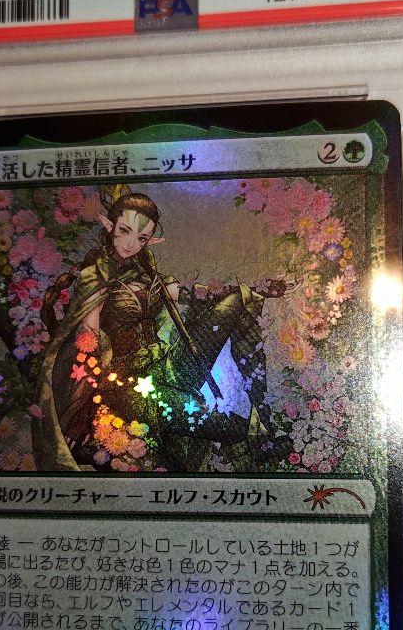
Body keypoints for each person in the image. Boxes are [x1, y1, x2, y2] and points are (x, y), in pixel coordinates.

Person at [36, 184, 284, 471]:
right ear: (109, 226)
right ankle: (254, 438)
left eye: (141, 238)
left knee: (236, 300)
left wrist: (260, 288)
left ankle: (262, 410)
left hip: (164, 363)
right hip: (126, 385)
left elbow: (188, 295)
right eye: (125, 231)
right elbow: (87, 344)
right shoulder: (95, 276)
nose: (131, 244)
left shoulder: (144, 273)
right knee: (221, 423)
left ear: (150, 240)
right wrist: (87, 402)